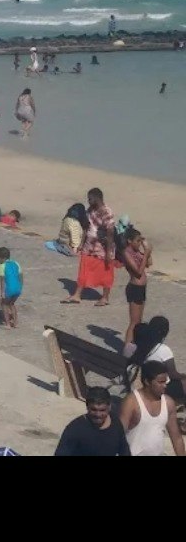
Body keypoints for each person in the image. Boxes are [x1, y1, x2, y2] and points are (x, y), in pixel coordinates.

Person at [120, 361, 183, 457]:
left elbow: (176, 438)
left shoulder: (168, 403)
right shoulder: (131, 402)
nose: (165, 385)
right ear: (147, 382)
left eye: (165, 382)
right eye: (160, 382)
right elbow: (119, 434)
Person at [54, 388, 130, 456]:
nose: (98, 414)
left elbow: (124, 450)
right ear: (87, 407)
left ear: (109, 407)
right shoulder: (75, 429)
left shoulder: (116, 423)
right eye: (94, 409)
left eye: (102, 410)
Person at [72, 187, 116, 303]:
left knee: (106, 272)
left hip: (102, 248)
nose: (88, 201)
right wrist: (81, 244)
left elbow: (110, 232)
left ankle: (105, 297)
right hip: (89, 246)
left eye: (90, 199)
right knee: (83, 269)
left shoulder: (106, 212)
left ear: (97, 198)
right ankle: (77, 294)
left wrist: (108, 252)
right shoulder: (90, 211)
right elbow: (86, 227)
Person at [119, 225, 152, 353]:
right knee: (134, 322)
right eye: (137, 241)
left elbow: (149, 263)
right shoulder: (126, 253)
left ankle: (134, 347)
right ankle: (127, 350)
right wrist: (146, 254)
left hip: (141, 288)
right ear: (129, 241)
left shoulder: (137, 251)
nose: (139, 243)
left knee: (139, 322)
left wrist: (147, 251)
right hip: (134, 288)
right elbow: (138, 272)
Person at [0, 244, 23, 328]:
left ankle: (7, 324)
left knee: (4, 304)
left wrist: (2, 292)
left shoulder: (2, 266)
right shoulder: (16, 263)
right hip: (18, 288)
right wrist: (20, 287)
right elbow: (20, 276)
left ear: (2, 258)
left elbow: (2, 280)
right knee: (12, 304)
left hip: (9, 289)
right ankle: (15, 323)